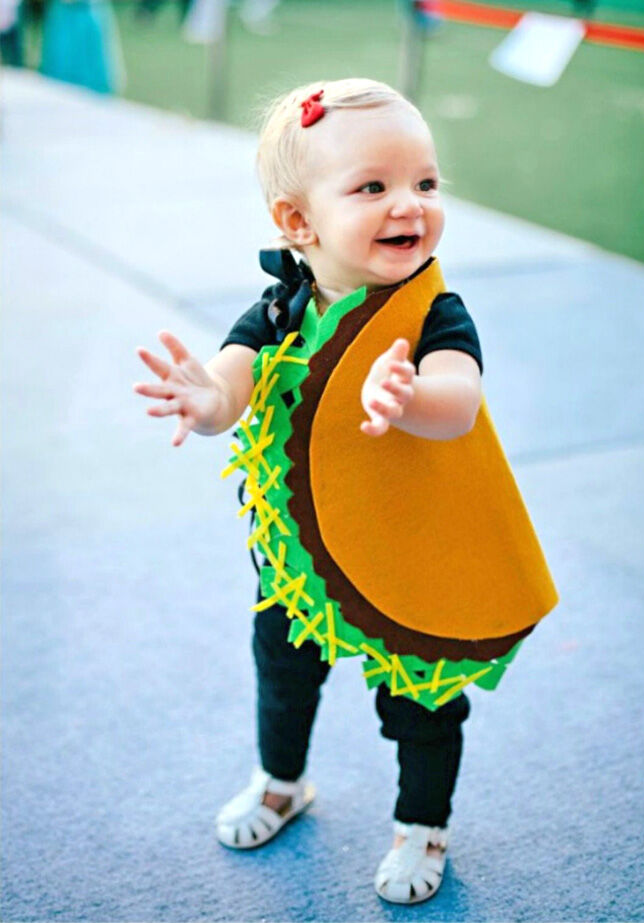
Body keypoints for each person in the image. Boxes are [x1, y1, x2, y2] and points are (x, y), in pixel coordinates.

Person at [134, 78, 556, 905]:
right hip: (303, 557)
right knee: (283, 665)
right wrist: (204, 399)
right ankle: (281, 780)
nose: (412, 205)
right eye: (374, 187)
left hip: (409, 548)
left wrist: (411, 399)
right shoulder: (281, 307)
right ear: (298, 222)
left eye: (425, 183)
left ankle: (421, 824)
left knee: (420, 698)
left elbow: (459, 399)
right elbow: (232, 386)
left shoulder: (434, 314)